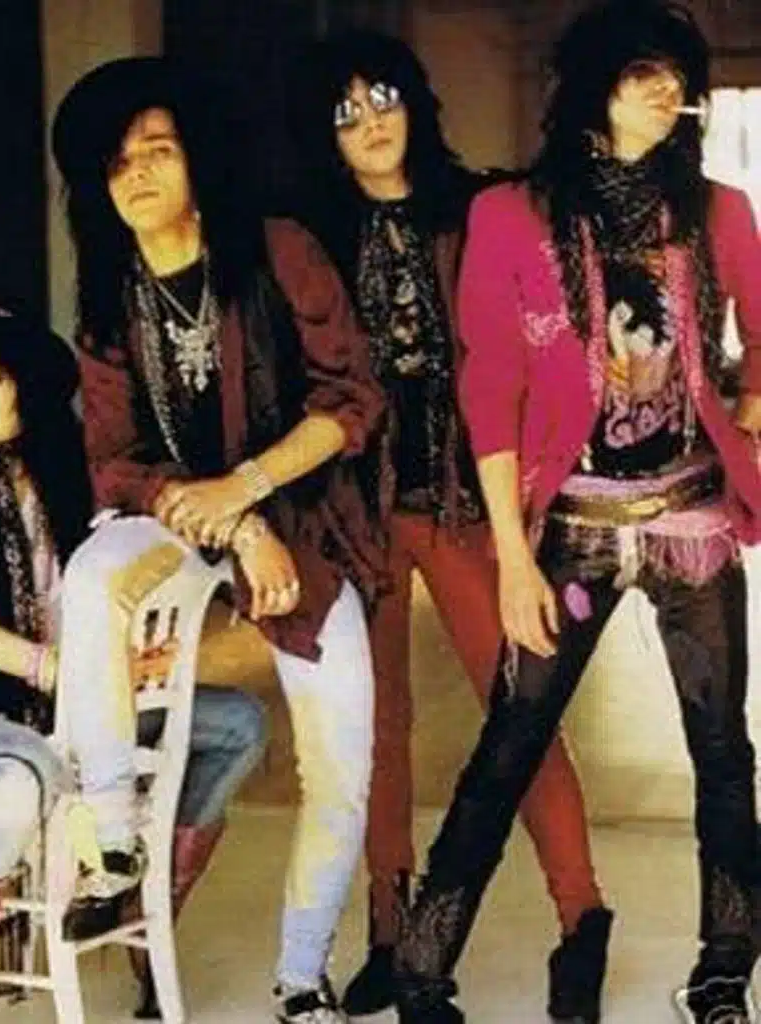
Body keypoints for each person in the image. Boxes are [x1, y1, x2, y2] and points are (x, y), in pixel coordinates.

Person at [392, 4, 761, 1023]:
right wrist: (513, 560)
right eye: (642, 72)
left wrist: (749, 412)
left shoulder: (719, 210)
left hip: (692, 521)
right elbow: (490, 386)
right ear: (595, 86)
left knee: (722, 752)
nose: (664, 90)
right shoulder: (514, 214)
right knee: (511, 740)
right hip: (573, 531)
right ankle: (421, 972)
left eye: (675, 75)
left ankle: (723, 976)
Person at [51, 56, 390, 1023]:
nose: (138, 175)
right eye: (118, 164)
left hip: (307, 524)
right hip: (183, 521)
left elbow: (352, 399)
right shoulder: (111, 295)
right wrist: (230, 523)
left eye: (157, 150)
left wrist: (250, 494)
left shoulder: (277, 249)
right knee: (92, 574)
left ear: (196, 159)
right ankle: (113, 835)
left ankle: (300, 977)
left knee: (342, 763)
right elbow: (113, 462)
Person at [296, 31, 606, 1017]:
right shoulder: (311, 237)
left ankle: (581, 921)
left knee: (521, 710)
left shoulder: (481, 209)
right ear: (326, 135)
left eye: (381, 97)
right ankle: (392, 935)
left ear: (414, 104)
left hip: (471, 503)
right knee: (378, 727)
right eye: (345, 111)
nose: (368, 121)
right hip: (362, 511)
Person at [0, 303, 268, 1023]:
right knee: (20, 780)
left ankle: (137, 906)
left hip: (67, 712)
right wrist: (75, 674)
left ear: (26, 386)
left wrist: (127, 662)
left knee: (239, 726)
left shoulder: (67, 471)